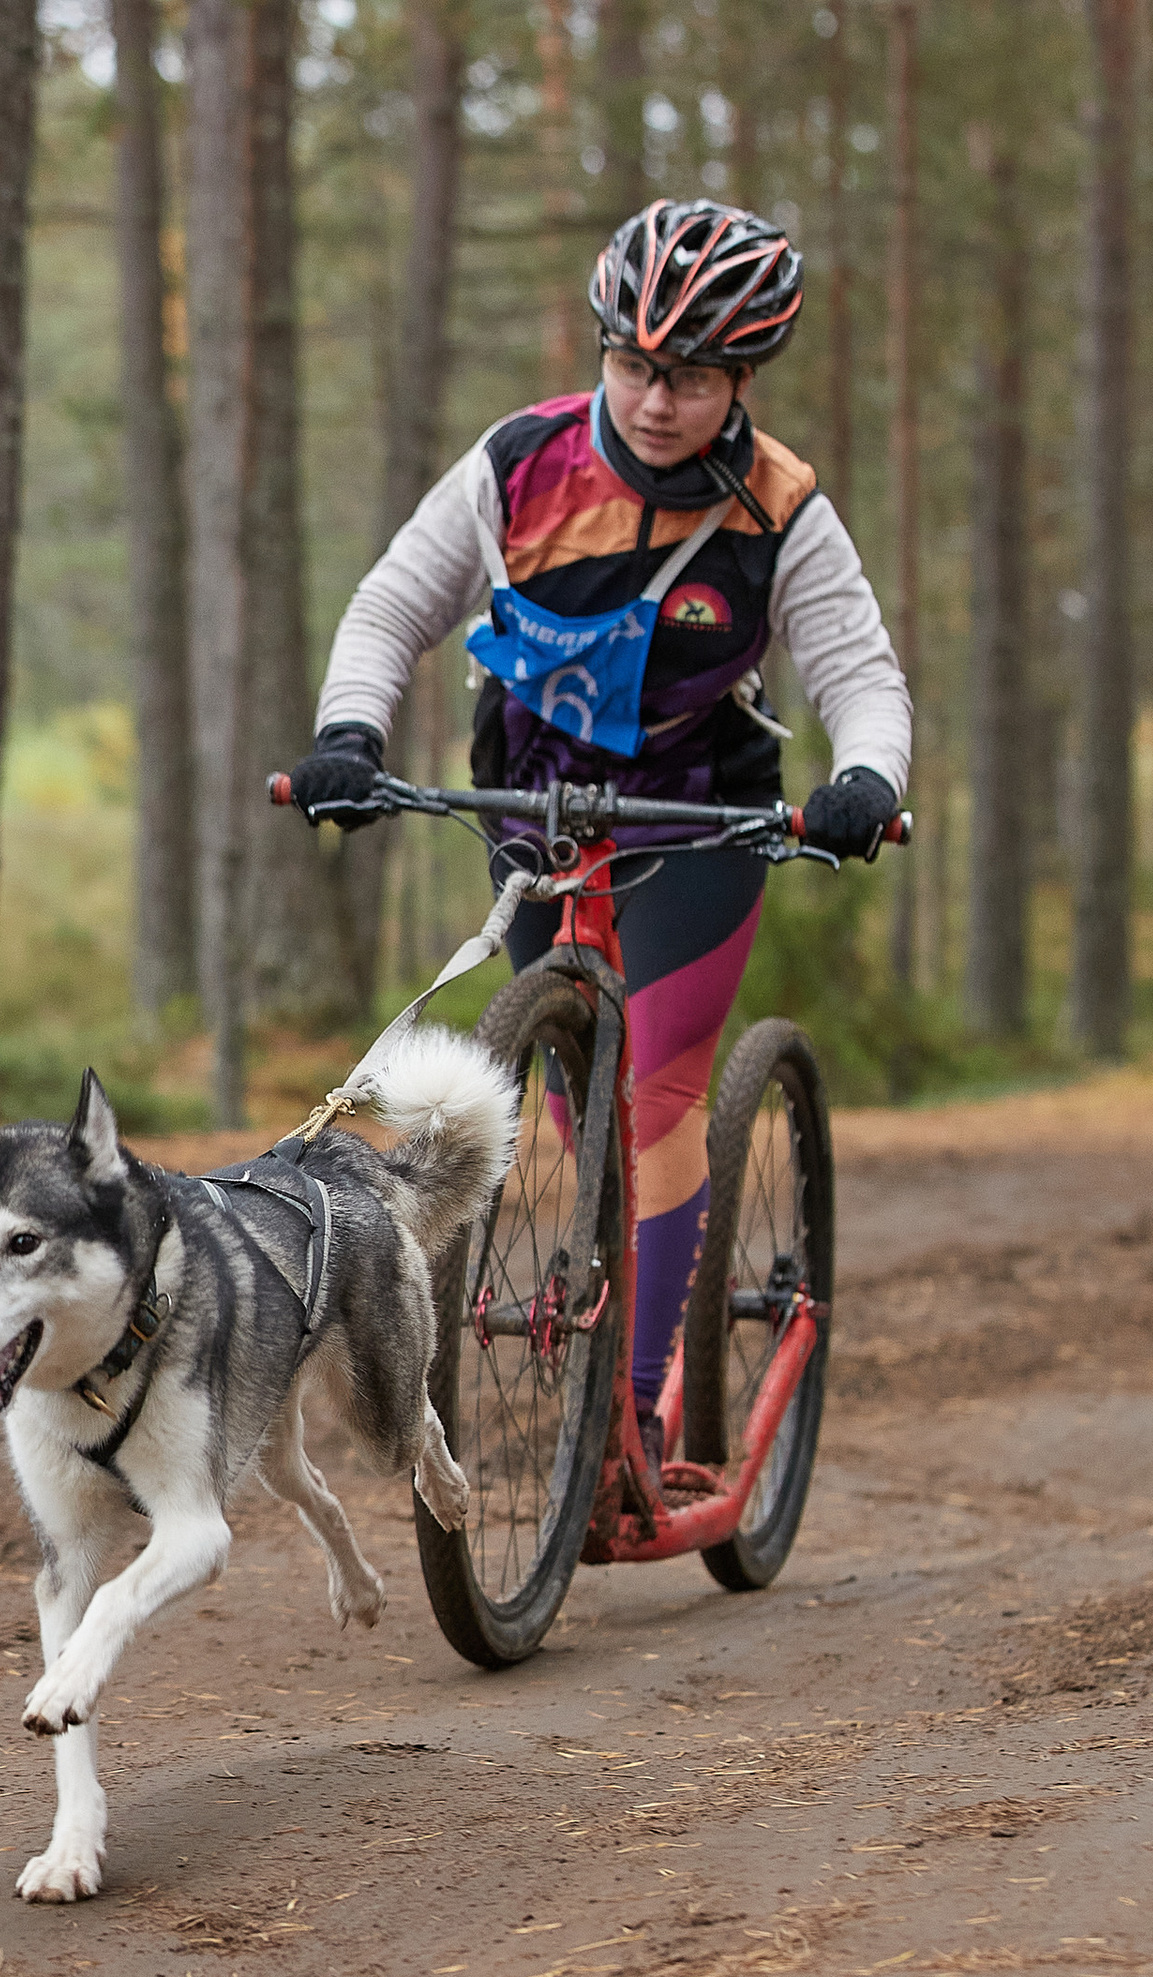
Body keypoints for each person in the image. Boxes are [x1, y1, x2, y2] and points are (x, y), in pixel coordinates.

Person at [288, 197, 910, 1471]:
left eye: (690, 378)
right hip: (536, 803)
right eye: (632, 365)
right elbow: (392, 606)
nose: (654, 401)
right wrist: (349, 734)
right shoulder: (519, 463)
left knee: (659, 1088)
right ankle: (615, 1318)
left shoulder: (779, 505)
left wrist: (865, 776)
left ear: (741, 381)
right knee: (579, 1102)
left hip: (699, 813)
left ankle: (631, 1399)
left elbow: (859, 673)